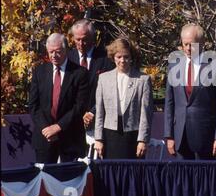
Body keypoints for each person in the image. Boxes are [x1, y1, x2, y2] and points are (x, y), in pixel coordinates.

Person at [164, 23, 216, 160]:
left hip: (208, 139)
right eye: (185, 44)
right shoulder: (173, 67)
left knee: (208, 181)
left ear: (202, 43)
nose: (188, 48)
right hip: (180, 137)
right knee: (182, 180)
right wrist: (169, 135)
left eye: (192, 44)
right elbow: (169, 103)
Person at [29, 33, 89, 163]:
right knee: (44, 180)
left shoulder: (80, 73)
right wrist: (47, 129)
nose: (53, 56)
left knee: (70, 181)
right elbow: (34, 106)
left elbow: (80, 106)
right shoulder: (39, 72)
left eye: (57, 52)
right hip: (45, 138)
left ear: (66, 50)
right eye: (50, 52)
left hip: (70, 138)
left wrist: (58, 127)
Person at [94, 38, 154, 159]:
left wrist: (142, 140)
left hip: (133, 135)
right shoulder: (103, 78)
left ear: (131, 57)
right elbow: (100, 112)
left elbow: (146, 113)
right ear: (113, 57)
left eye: (126, 57)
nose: (122, 60)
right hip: (110, 135)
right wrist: (98, 139)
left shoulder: (143, 79)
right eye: (119, 57)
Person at [67, 19, 115, 156]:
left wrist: (93, 112)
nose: (81, 44)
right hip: (73, 124)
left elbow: (109, 91)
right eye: (77, 39)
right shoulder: (68, 58)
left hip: (100, 123)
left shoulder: (106, 59)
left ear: (93, 38)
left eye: (85, 39)